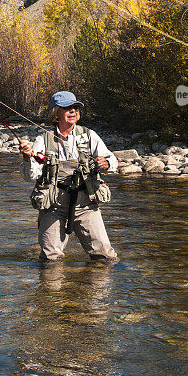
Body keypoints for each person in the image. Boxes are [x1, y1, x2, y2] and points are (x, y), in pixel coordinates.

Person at [19, 91, 118, 262]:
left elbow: (112, 160)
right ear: (55, 112)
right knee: (51, 260)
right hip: (54, 206)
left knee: (106, 258)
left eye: (75, 107)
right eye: (67, 108)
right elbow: (31, 175)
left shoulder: (89, 135)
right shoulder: (44, 139)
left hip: (86, 204)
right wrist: (27, 158)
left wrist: (106, 164)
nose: (72, 111)